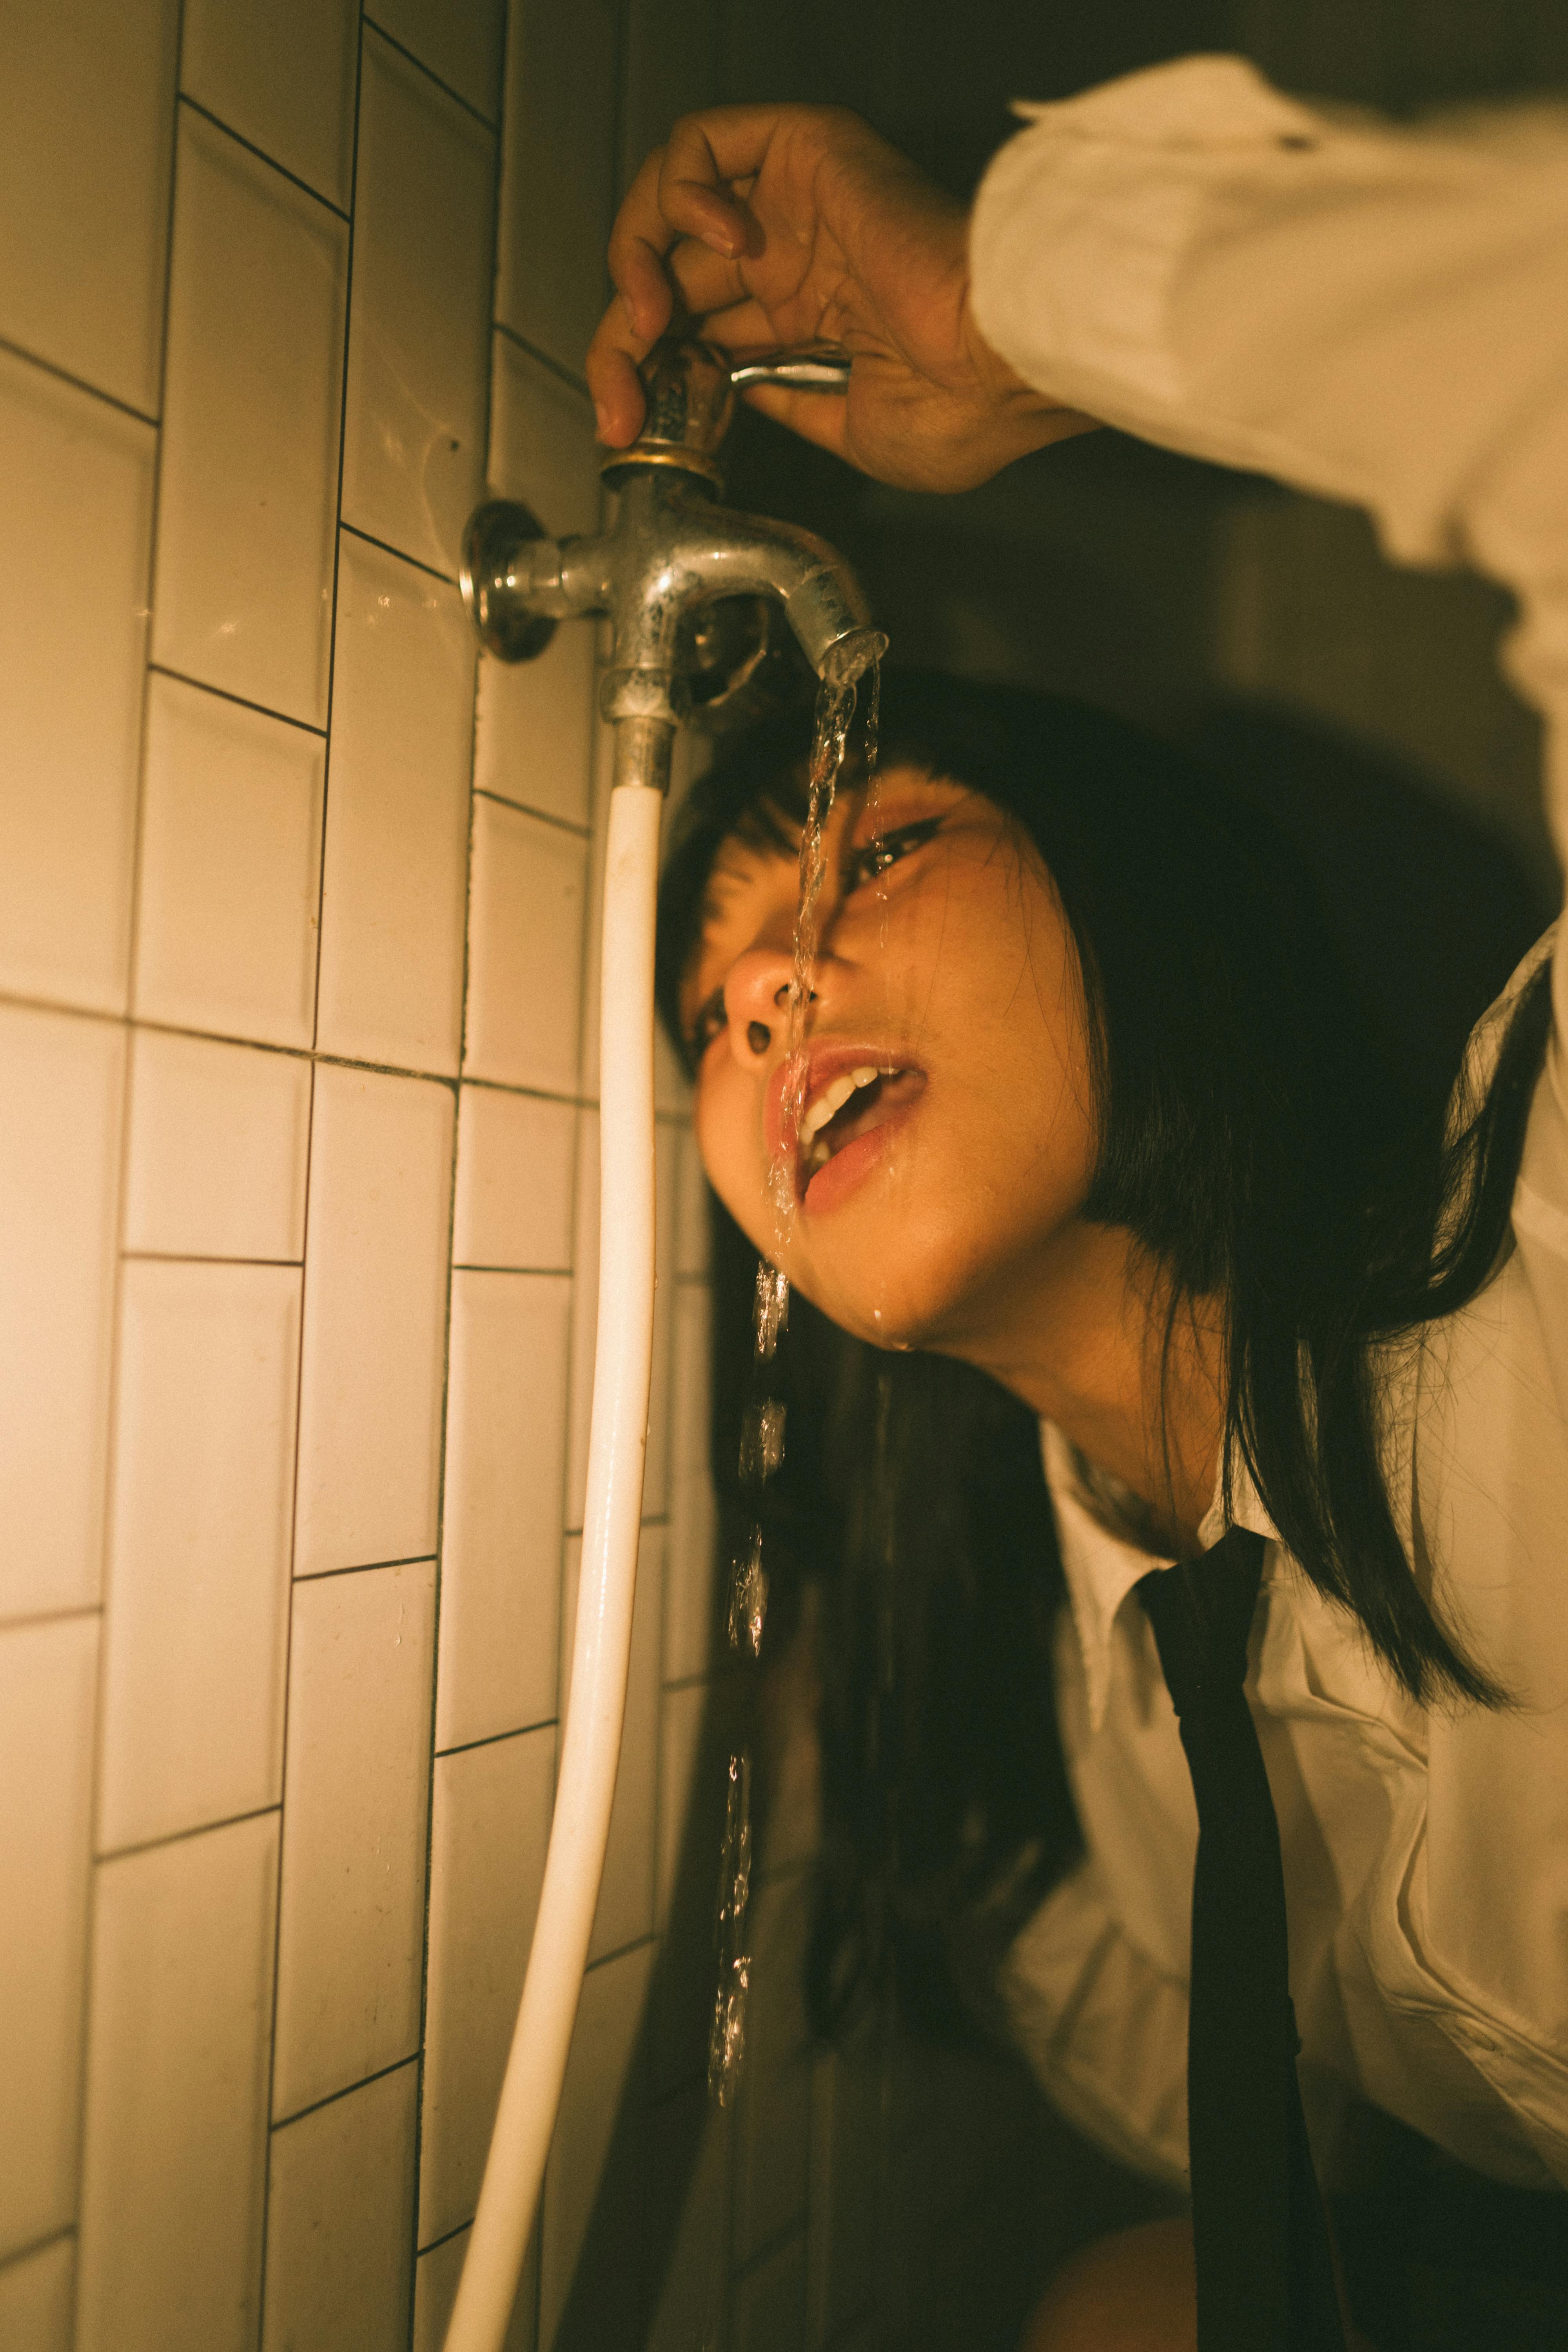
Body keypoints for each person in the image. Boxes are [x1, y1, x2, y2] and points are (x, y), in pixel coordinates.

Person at [588, 55, 1568, 2352]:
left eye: (876, 848)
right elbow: (1235, 2101)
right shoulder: (1105, 1675)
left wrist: (1010, 310)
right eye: (715, 1009)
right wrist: (835, 1705)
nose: (772, 992)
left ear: (1140, 896)